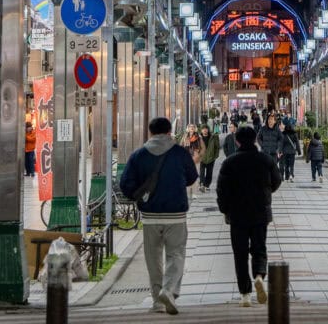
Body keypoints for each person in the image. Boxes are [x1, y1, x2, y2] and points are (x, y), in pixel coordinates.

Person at [119, 116, 198, 315]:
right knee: (176, 254)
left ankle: (157, 302)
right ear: (169, 132)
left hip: (150, 216)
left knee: (153, 259)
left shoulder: (138, 155)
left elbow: (125, 184)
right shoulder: (180, 153)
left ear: (150, 132)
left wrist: (141, 196)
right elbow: (192, 178)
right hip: (176, 214)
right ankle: (169, 290)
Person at [216, 125, 282, 308]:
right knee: (259, 248)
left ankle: (245, 294)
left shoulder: (229, 162)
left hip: (237, 215)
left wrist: (224, 209)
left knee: (240, 254)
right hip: (260, 212)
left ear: (237, 141)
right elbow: (276, 181)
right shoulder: (265, 160)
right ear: (255, 140)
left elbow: (222, 190)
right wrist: (266, 193)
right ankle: (259, 276)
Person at [198, 124, 220, 192]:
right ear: (201, 130)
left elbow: (217, 147)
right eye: (203, 129)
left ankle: (207, 185)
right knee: (201, 172)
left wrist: (215, 156)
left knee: (209, 172)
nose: (204, 130)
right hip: (202, 157)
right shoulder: (199, 138)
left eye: (206, 129)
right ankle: (202, 184)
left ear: (208, 130)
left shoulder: (213, 137)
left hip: (211, 157)